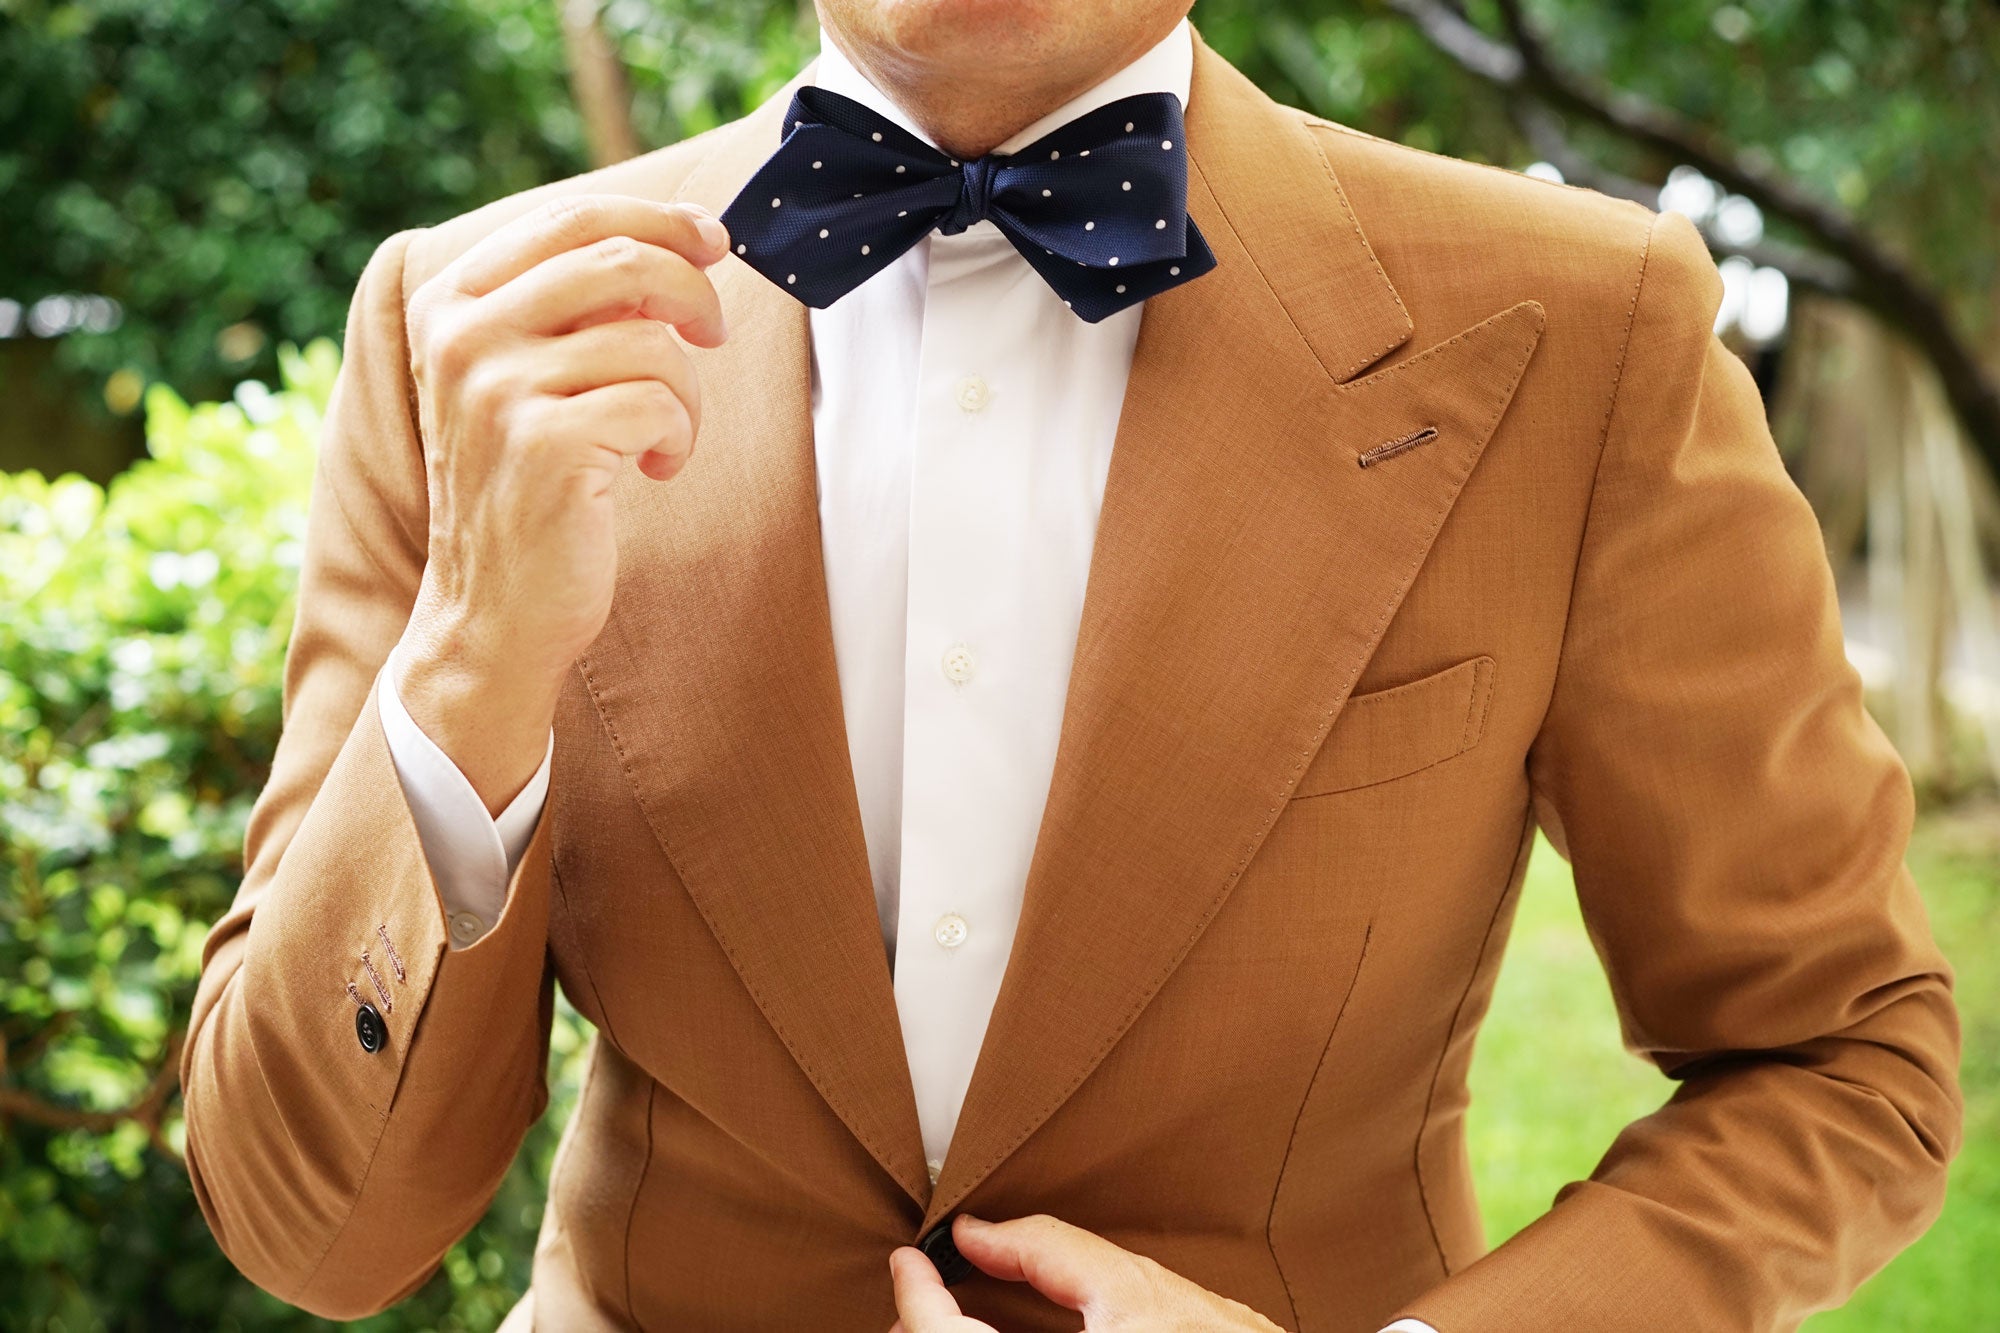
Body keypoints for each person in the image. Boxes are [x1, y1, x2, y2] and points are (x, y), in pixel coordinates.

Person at [177, 1, 1964, 1329]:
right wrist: (472, 664)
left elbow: (1840, 1058)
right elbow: (310, 1227)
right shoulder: (468, 329)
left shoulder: (1585, 332)